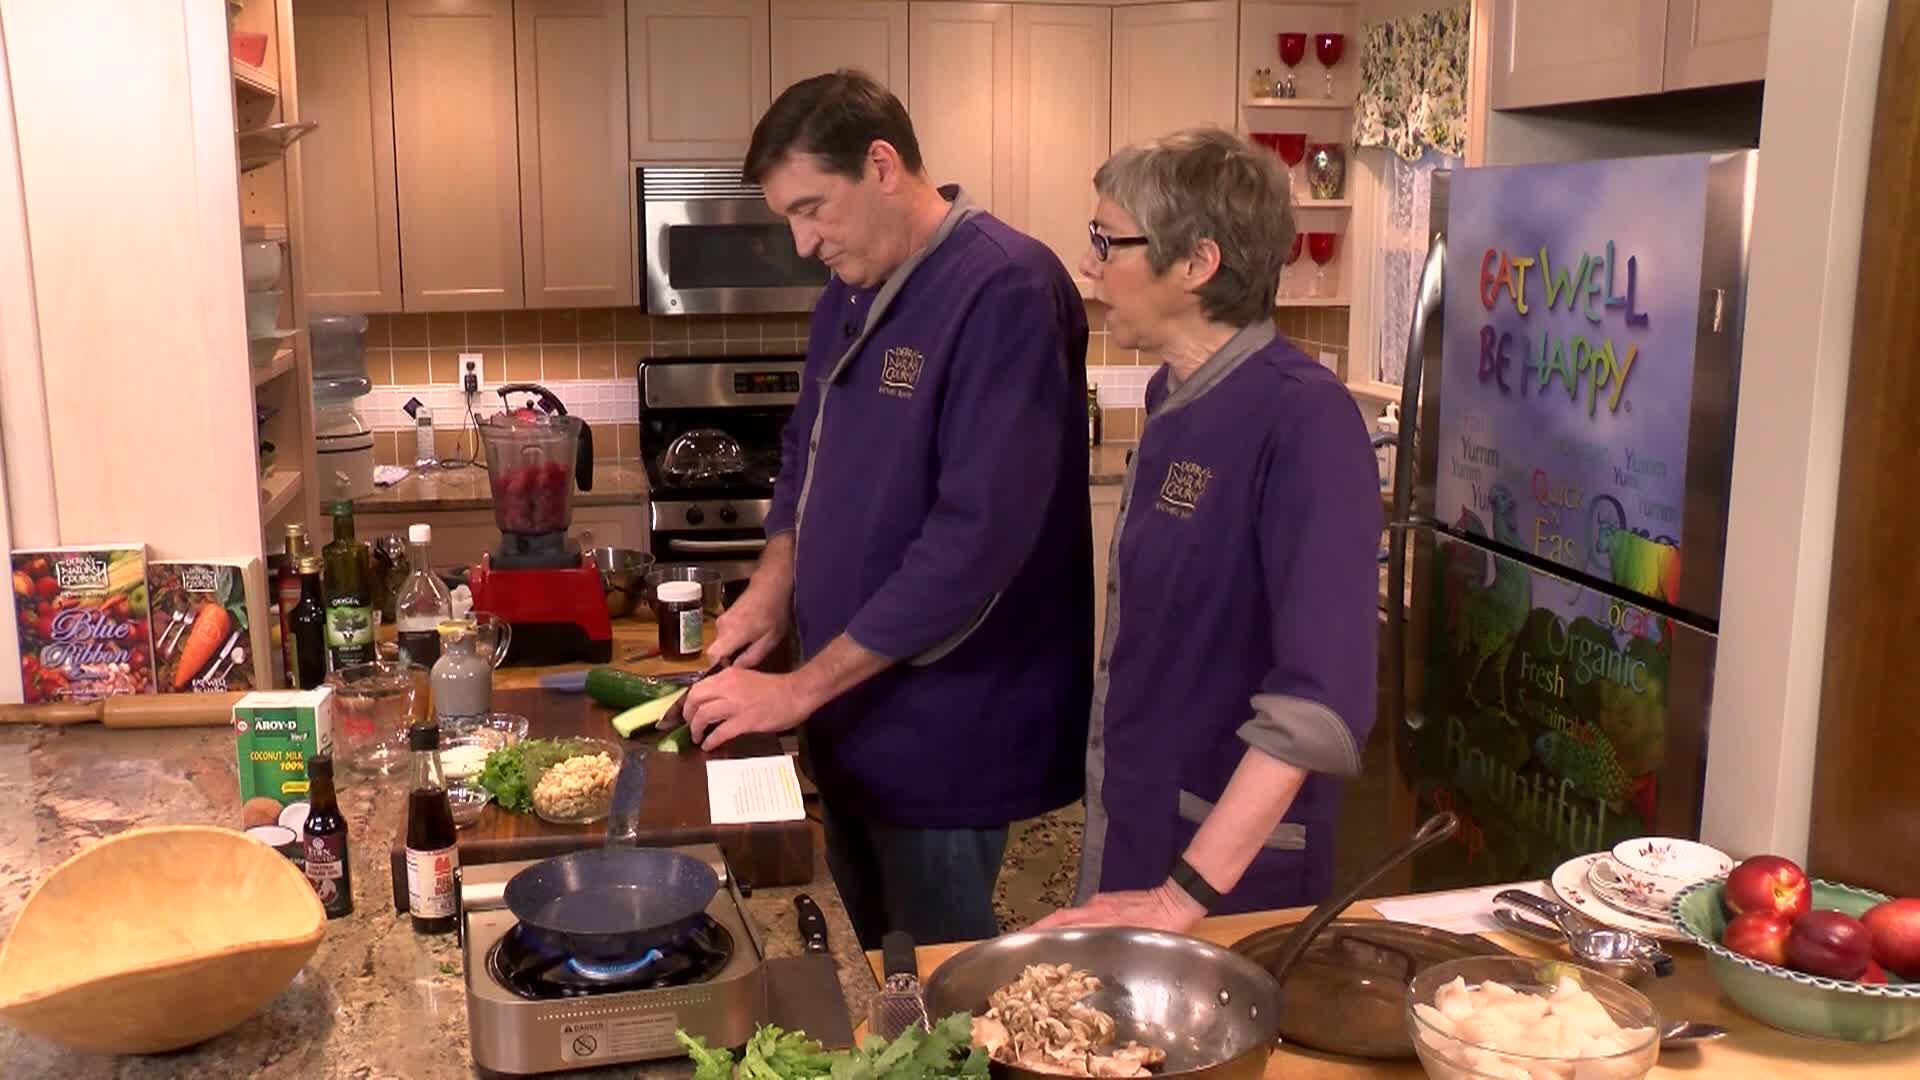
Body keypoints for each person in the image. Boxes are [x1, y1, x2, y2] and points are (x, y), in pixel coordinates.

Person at [681, 70, 1094, 947]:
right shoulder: (852, 287)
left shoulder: (1006, 289)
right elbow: (807, 453)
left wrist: (795, 686)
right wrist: (772, 588)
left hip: (950, 723)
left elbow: (972, 545)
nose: (801, 243)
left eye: (811, 208)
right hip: (855, 709)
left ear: (881, 165)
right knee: (873, 956)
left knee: (940, 985)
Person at [1035, 128, 1380, 933]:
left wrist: (1180, 896)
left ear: (1197, 263)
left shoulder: (1304, 419)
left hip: (1223, 878)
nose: (1088, 264)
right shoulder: (1172, 399)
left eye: (1106, 241)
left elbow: (1318, 708)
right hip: (1144, 826)